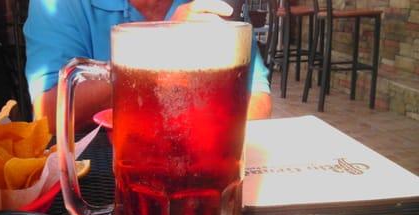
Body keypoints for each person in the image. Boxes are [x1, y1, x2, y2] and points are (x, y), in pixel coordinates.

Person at [24, 0, 272, 132]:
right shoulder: (61, 4)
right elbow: (49, 113)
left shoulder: (208, 5)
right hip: (102, 176)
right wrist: (159, 48)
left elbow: (258, 102)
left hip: (200, 168)